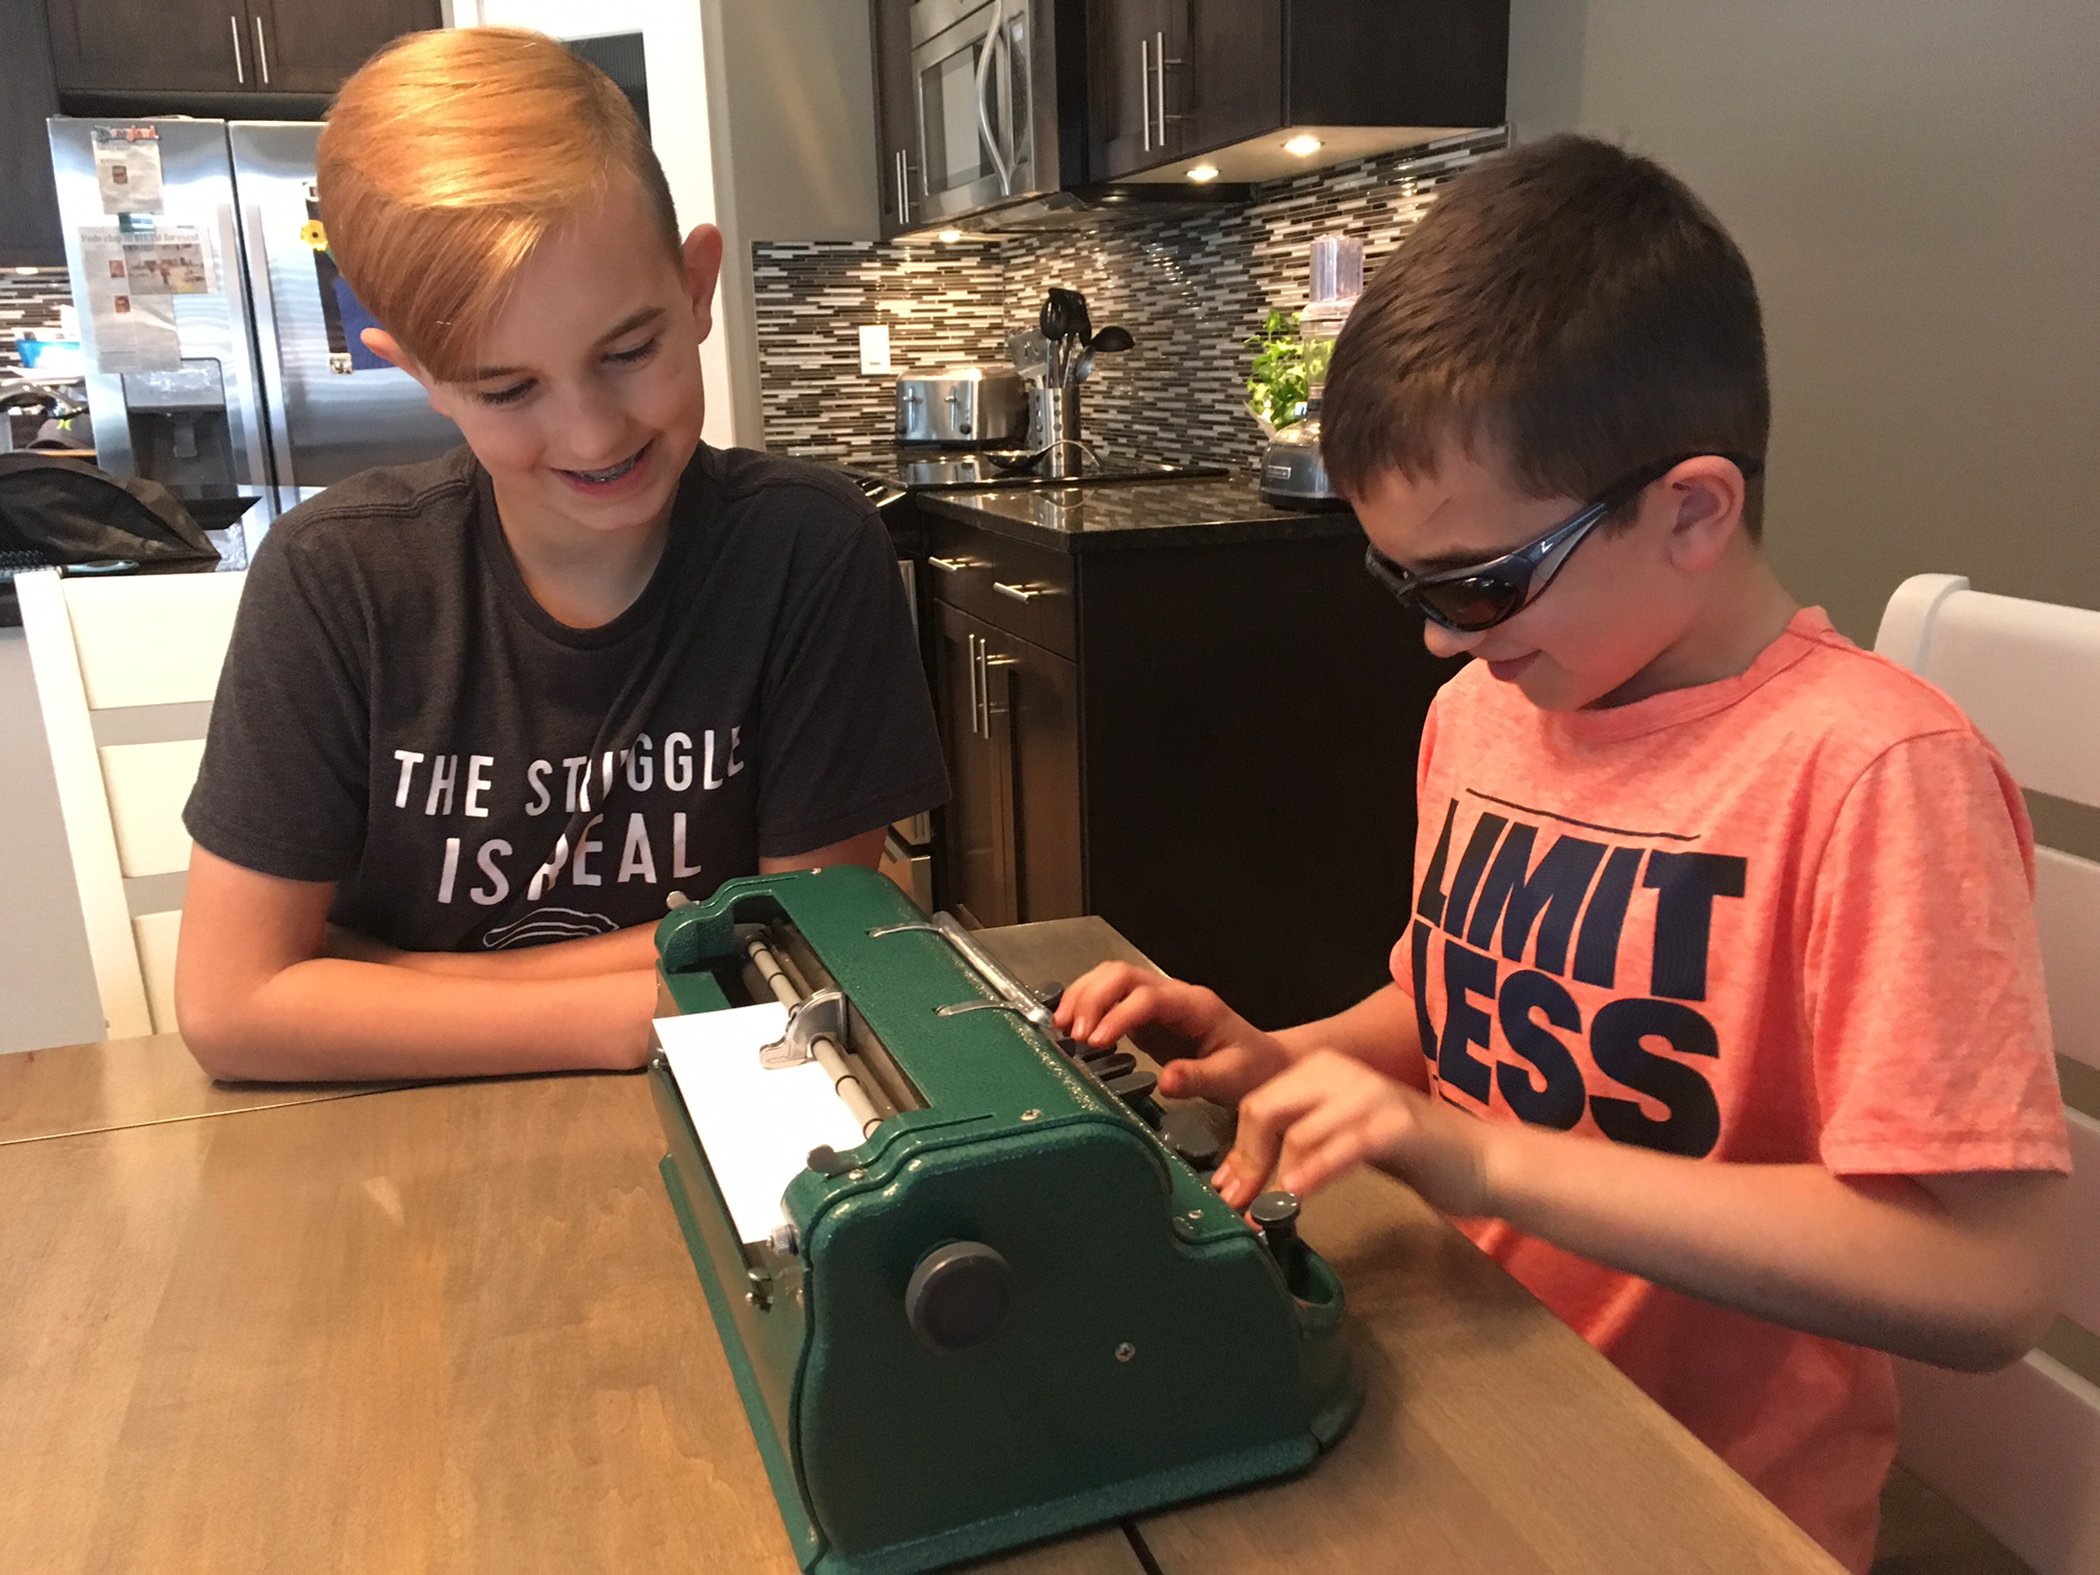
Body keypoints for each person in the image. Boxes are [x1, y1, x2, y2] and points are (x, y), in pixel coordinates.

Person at [1053, 134, 2069, 1573]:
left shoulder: (1871, 773)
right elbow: (1464, 1013)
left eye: (1478, 581)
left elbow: (1989, 1276)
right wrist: (1286, 1055)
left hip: (1694, 1501)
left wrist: (1481, 1163)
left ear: (1693, 510)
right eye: (1399, 578)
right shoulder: (1488, 713)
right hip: (1475, 1379)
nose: (1436, 635)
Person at [176, 29, 946, 1082]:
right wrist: (646, 1007)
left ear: (696, 287)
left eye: (628, 352)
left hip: (735, 1114)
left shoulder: (807, 550)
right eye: (507, 389)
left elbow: (810, 954)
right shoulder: (333, 578)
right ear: (422, 376)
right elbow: (229, 1008)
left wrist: (387, 977)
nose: (592, 435)